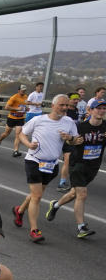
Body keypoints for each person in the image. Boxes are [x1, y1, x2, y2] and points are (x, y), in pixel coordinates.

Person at [12, 95, 78, 243]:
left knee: (37, 193)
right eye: (61, 105)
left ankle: (20, 210)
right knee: (37, 196)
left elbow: (76, 139)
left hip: (51, 165)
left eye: (67, 106)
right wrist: (28, 144)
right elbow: (21, 133)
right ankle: (34, 230)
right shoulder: (39, 120)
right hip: (34, 161)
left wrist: (70, 138)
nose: (64, 108)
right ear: (53, 106)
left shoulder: (68, 122)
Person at [46, 98, 106, 238]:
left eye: (104, 108)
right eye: (99, 108)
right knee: (82, 194)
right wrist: (72, 140)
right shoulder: (80, 127)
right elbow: (68, 141)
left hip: (93, 166)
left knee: (74, 194)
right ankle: (81, 227)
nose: (102, 111)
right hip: (77, 164)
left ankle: (55, 205)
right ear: (90, 110)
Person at [0, 84, 29, 156]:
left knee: (18, 135)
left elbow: (24, 106)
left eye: (24, 90)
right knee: (6, 133)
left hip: (20, 118)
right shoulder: (14, 97)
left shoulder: (26, 97)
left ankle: (15, 151)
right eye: (22, 90)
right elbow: (6, 107)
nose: (23, 91)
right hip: (12, 118)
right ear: (19, 90)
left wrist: (26, 109)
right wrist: (17, 109)